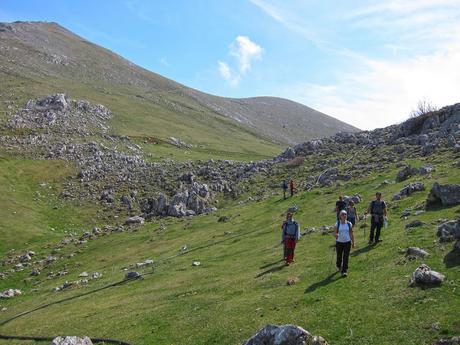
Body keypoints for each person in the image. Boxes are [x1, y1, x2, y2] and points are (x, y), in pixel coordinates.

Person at [334, 210, 355, 277]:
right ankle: (339, 265)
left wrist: (353, 242)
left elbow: (351, 233)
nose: (344, 215)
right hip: (339, 242)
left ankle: (344, 271)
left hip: (347, 242)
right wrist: (336, 235)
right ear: (340, 216)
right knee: (339, 256)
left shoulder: (349, 224)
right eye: (343, 214)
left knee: (346, 257)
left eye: (345, 214)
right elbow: (334, 233)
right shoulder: (337, 224)